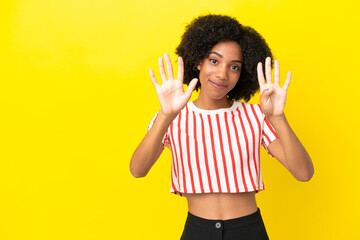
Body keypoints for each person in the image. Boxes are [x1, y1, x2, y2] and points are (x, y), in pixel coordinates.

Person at [130, 14, 314, 240]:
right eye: (214, 61)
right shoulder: (172, 116)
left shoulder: (255, 115)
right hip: (198, 231)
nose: (222, 74)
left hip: (249, 231)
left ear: (242, 74)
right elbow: (137, 170)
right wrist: (167, 115)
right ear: (198, 61)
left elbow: (304, 173)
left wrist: (278, 117)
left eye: (234, 67)